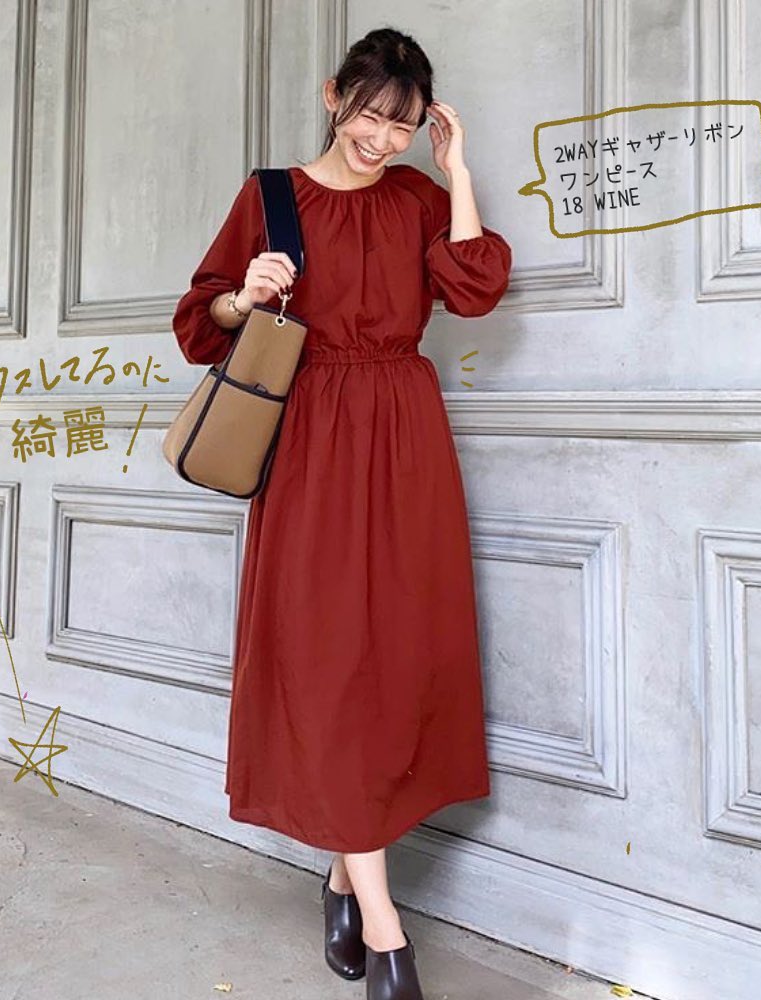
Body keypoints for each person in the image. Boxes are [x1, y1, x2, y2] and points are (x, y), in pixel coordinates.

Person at [172, 26, 512, 1000]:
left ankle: (340, 878)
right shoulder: (271, 197)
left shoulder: (417, 198)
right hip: (313, 446)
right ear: (334, 97)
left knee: (394, 665)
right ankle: (387, 932)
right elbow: (199, 323)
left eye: (404, 126)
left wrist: (456, 171)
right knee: (328, 666)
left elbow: (474, 289)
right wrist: (246, 295)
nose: (382, 140)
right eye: (370, 116)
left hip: (405, 441)